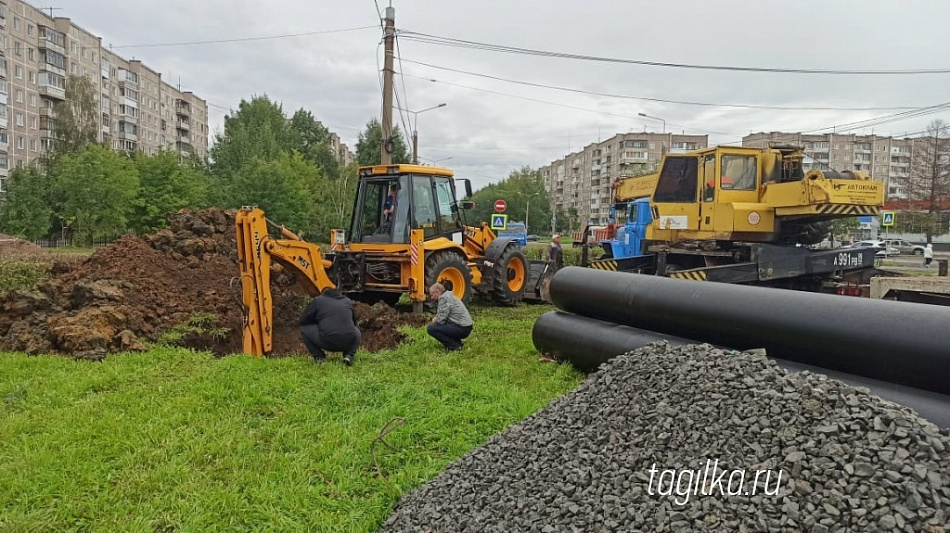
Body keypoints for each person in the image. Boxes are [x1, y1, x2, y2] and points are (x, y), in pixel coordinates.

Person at [299, 287, 361, 366]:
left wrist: (318, 321)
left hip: (327, 341)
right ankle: (349, 355)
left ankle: (320, 358)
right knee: (357, 331)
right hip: (347, 341)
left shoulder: (318, 300)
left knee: (304, 329)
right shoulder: (347, 301)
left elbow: (303, 320)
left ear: (323, 294)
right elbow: (354, 322)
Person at [426, 283, 473, 351]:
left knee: (431, 328)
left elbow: (440, 320)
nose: (432, 297)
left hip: (462, 328)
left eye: (432, 295)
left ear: (438, 292)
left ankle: (454, 346)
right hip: (466, 326)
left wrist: (434, 320)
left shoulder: (443, 298)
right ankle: (457, 343)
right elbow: (444, 314)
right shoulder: (449, 295)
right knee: (444, 326)